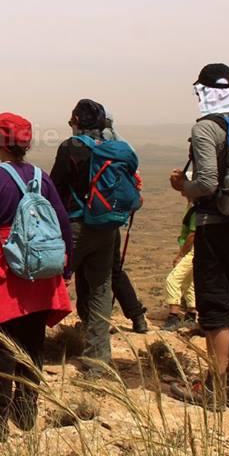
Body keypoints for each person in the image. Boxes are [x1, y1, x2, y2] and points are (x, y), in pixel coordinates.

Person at [0, 112, 73, 436]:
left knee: (1, 349)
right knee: (33, 346)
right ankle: (26, 414)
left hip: (4, 275)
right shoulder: (41, 176)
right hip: (41, 275)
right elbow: (63, 223)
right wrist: (65, 268)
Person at [169, 63, 229, 410]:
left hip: (215, 225)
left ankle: (212, 390)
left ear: (203, 91)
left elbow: (205, 181)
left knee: (216, 310)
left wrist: (182, 186)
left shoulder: (207, 128)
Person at [49, 99, 118, 367]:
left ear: (77, 122)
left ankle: (32, 348)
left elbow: (55, 187)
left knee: (51, 280)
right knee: (101, 289)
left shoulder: (71, 147)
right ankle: (98, 360)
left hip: (76, 225)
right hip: (107, 227)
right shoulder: (113, 147)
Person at [102, 112, 149, 334]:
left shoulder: (97, 147)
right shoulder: (123, 148)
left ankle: (96, 322)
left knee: (87, 270)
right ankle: (137, 316)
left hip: (93, 216)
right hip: (115, 216)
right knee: (114, 269)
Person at [163, 202, 197, 331]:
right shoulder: (195, 206)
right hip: (195, 250)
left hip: (192, 251)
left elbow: (193, 234)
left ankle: (173, 316)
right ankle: (191, 314)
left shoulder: (195, 209)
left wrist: (181, 254)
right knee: (189, 282)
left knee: (172, 280)